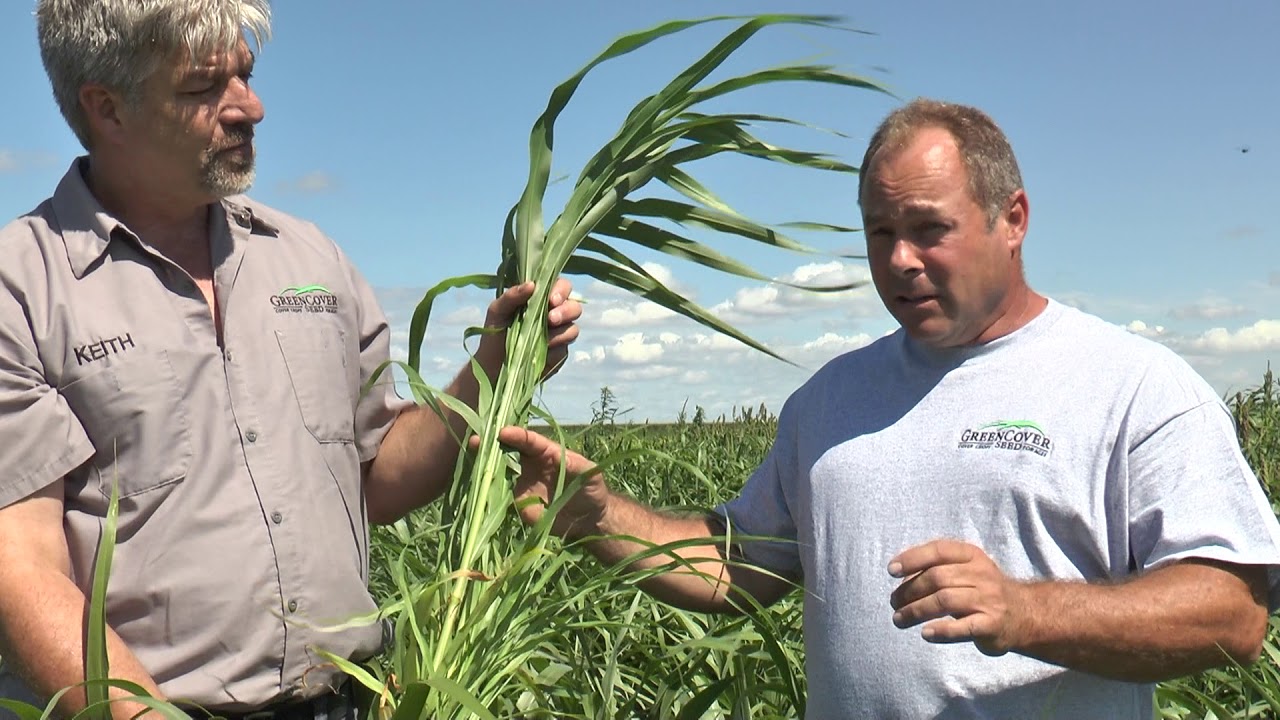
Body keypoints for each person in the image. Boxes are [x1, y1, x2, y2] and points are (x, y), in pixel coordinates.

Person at [491, 98, 1280, 718]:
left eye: (930, 229)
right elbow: (740, 567)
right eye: (880, 233)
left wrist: (1025, 612)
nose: (900, 260)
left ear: (1013, 220)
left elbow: (1234, 614)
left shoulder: (1131, 385)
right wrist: (596, 519)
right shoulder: (829, 400)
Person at [0, 1, 581, 718]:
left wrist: (494, 365)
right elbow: (20, 569)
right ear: (107, 108)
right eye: (203, 86)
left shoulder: (309, 258)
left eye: (245, 75)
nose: (251, 108)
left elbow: (373, 479)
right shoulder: (21, 289)